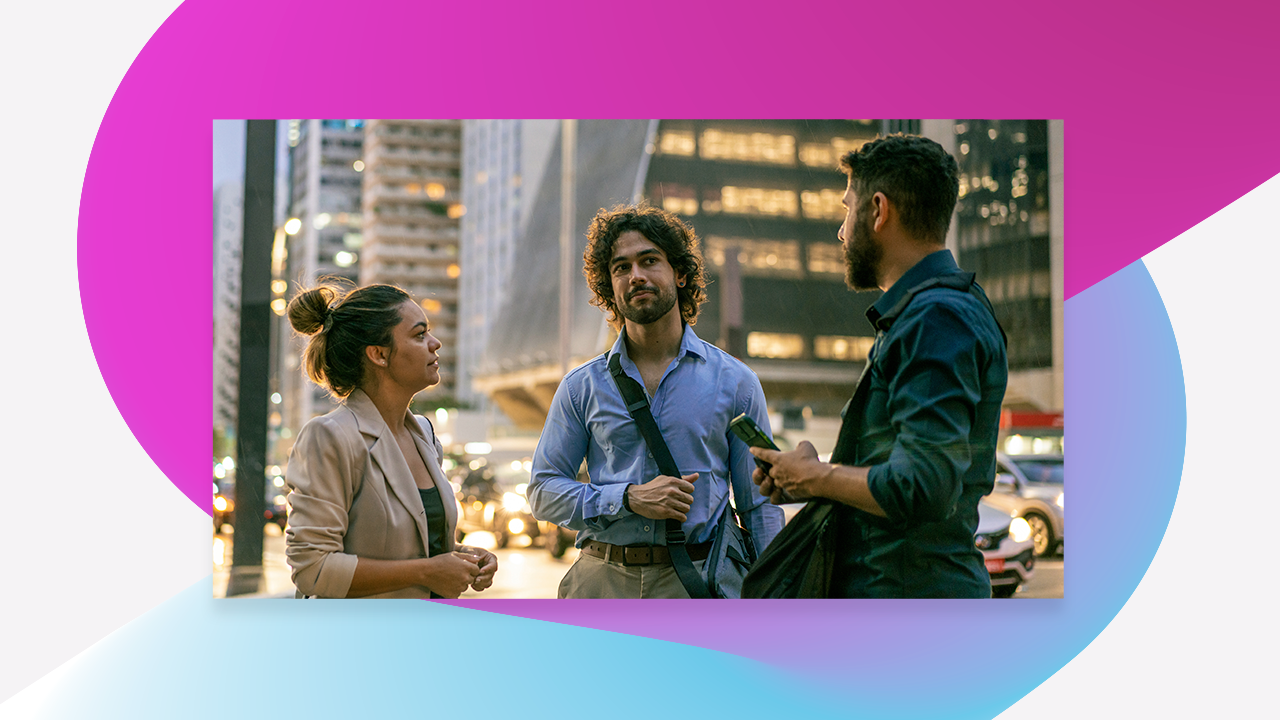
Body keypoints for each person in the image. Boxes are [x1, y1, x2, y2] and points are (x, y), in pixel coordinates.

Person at [750, 135, 1008, 598]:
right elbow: (905, 468)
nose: (841, 231)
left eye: (847, 209)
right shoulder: (935, 311)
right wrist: (813, 480)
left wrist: (818, 477)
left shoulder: (936, 319)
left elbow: (924, 485)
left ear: (878, 210)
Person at [529, 204, 784, 598]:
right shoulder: (581, 386)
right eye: (621, 267)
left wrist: (778, 599)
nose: (636, 276)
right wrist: (628, 498)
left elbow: (759, 507)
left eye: (650, 261)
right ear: (609, 287)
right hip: (601, 584)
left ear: (680, 274)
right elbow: (543, 492)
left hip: (697, 583)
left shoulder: (735, 382)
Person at [283, 281, 497, 598]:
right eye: (419, 334)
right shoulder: (330, 436)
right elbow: (312, 568)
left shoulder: (424, 433)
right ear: (379, 354)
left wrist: (463, 555)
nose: (435, 343)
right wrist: (429, 572)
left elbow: (410, 544)